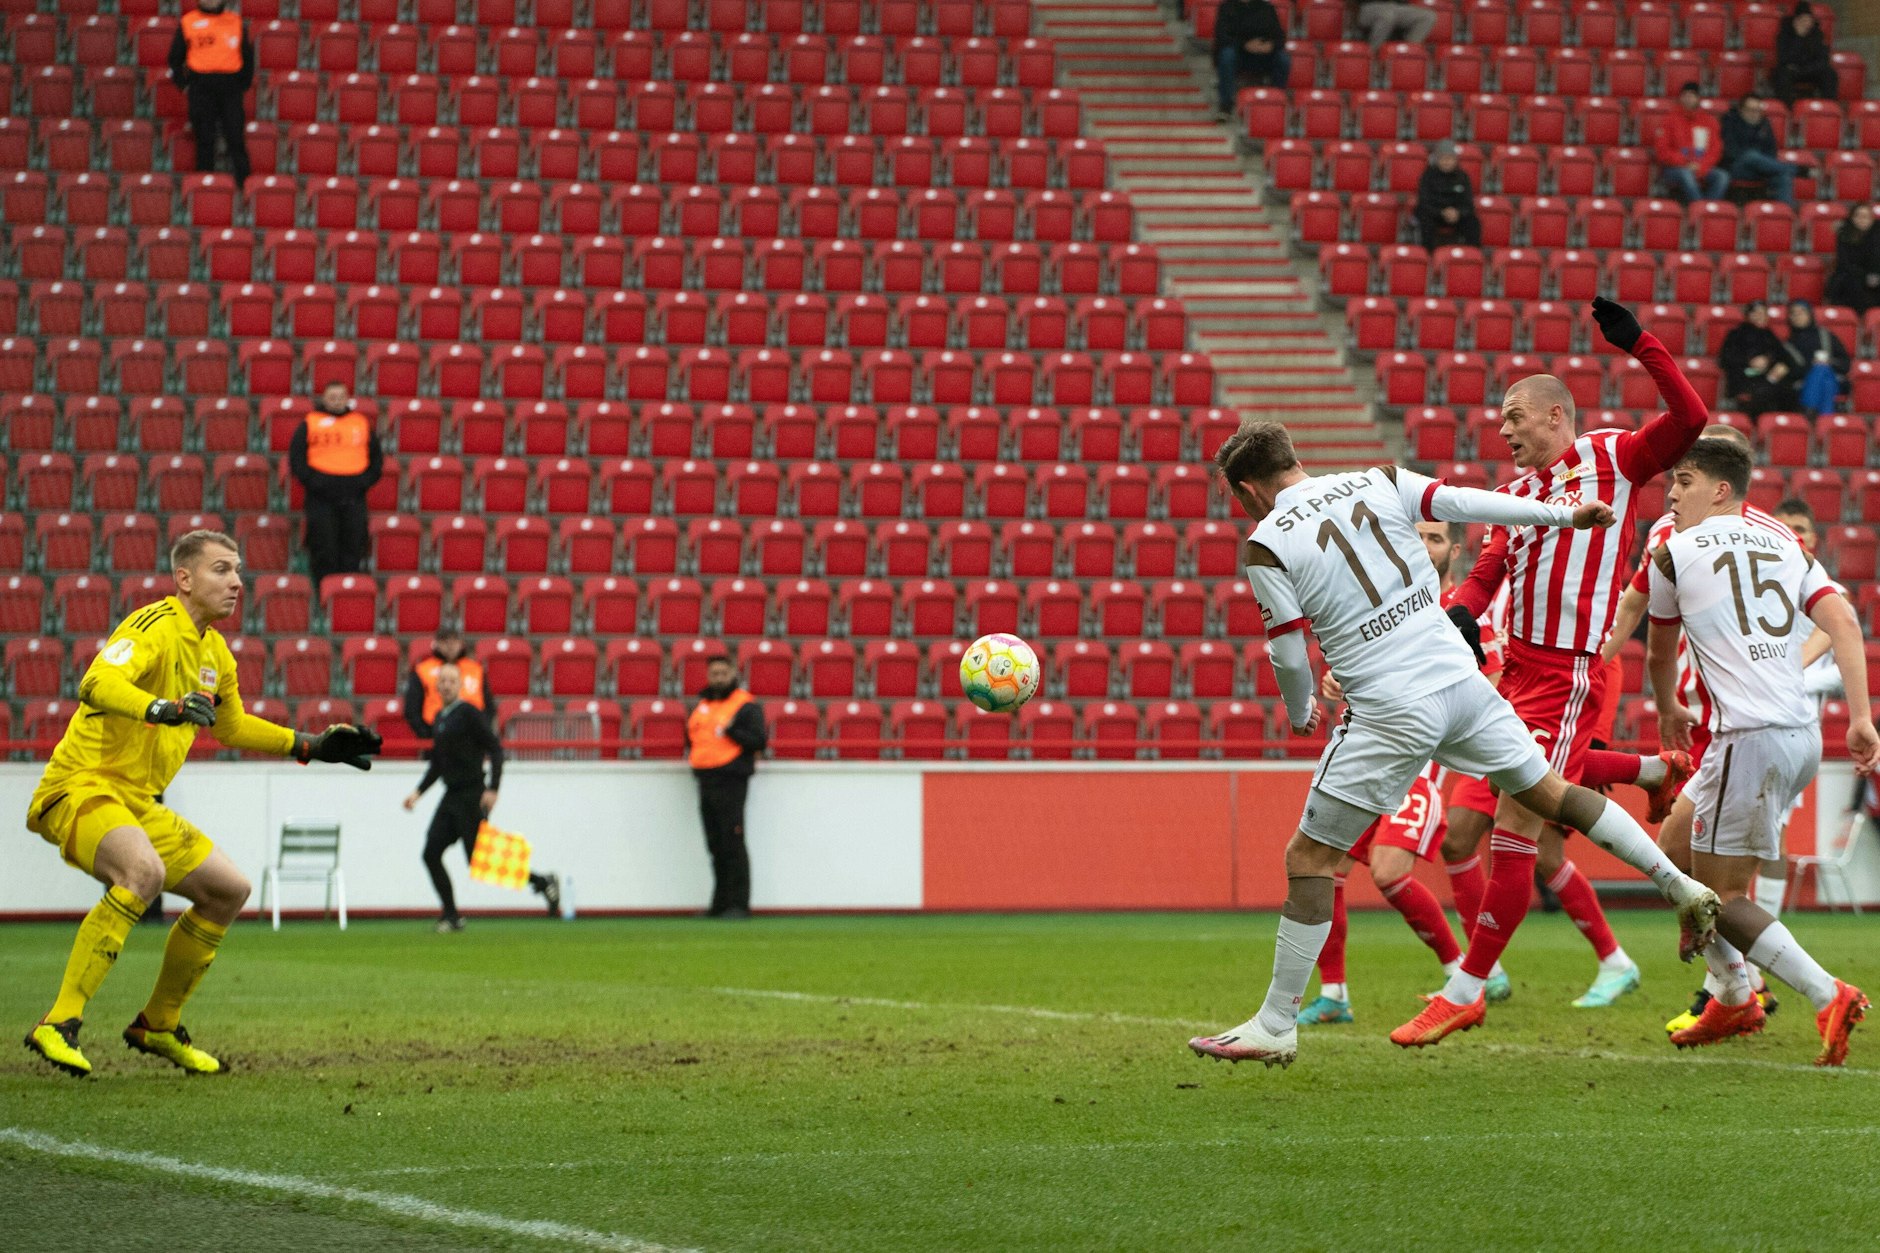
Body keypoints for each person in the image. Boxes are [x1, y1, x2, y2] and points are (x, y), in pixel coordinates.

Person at [1185, 419, 1719, 1068]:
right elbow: (1466, 499)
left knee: (1309, 858)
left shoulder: (1266, 541)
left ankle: (1275, 1022)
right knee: (1550, 791)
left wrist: (1301, 709)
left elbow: (1287, 649)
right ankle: (1678, 886)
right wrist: (1563, 515)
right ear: (1294, 460)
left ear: (1248, 489)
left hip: (1388, 707)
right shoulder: (1376, 480)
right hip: (1461, 683)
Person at [1405, 297, 1722, 1048]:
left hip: (1566, 675)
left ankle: (1467, 988)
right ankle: (1654, 774)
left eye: (1515, 417)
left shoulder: (1612, 458)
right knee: (1469, 829)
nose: (1505, 431)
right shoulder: (1514, 497)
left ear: (1554, 417)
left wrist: (1641, 343)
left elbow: (1691, 420)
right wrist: (1462, 617)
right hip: (1511, 676)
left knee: (1520, 829)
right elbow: (1486, 570)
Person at [22, 530, 380, 1077]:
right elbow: (95, 683)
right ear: (184, 579)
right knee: (143, 871)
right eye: (221, 569)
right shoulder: (152, 627)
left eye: (237, 570)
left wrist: (308, 745)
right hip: (79, 785)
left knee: (227, 890)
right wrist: (162, 709)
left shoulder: (214, 654)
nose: (237, 582)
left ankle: (158, 1024)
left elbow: (232, 726)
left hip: (135, 801)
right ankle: (59, 1021)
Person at [1646, 438, 1875, 1064]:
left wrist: (1667, 708)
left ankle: (1824, 993)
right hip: (1794, 731)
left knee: (1722, 898)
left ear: (1721, 490)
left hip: (1748, 736)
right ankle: (1731, 989)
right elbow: (1845, 624)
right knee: (1670, 846)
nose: (1671, 494)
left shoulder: (1672, 552)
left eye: (1684, 481)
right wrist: (1860, 719)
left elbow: (1659, 651)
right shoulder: (1786, 544)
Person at [402, 662, 559, 930]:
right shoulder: (440, 718)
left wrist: (493, 788)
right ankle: (451, 915)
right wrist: (417, 793)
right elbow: (438, 764)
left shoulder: (470, 714)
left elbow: (496, 749)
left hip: (471, 794)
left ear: (460, 685)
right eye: (443, 681)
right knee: (431, 853)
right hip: (451, 797)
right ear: (436, 687)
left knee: (479, 861)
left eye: (452, 681)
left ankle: (543, 882)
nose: (447, 685)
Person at [687, 655, 768, 919]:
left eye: (723, 673)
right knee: (715, 845)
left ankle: (739, 904)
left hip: (731, 780)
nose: (718, 678)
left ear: (733, 673)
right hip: (706, 779)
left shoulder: (745, 706)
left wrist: (733, 733)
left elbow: (758, 740)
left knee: (732, 841)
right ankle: (719, 904)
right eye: (714, 673)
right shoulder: (702, 706)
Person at [288, 380, 383, 588]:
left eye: (341, 397)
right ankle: (324, 594)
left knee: (353, 545)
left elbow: (377, 459)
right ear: (324, 399)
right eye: (332, 397)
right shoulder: (310, 422)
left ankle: (347, 595)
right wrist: (315, 482)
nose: (337, 401)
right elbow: (297, 459)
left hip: (353, 496)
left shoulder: (360, 422)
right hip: (321, 497)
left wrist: (362, 482)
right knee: (324, 546)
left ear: (348, 399)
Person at [166, 1, 255, 186]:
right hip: (201, 90)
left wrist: (242, 84)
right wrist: (184, 86)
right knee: (205, 140)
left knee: (235, 138)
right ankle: (205, 188)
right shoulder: (188, 22)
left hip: (230, 90)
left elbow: (247, 57)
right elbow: (175, 59)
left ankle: (245, 187)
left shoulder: (235, 21)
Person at [403, 627, 488, 740]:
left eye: (454, 641)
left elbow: (488, 704)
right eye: (445, 641)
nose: (450, 646)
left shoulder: (476, 669)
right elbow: (411, 708)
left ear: (461, 643)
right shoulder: (423, 670)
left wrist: (481, 730)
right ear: (437, 644)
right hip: (435, 733)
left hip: (471, 735)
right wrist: (426, 734)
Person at [1212, 0, 1290, 122]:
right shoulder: (1226, 8)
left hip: (1264, 55)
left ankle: (1276, 101)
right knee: (1227, 55)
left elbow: (1279, 36)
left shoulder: (1267, 8)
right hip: (1240, 54)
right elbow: (1222, 36)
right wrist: (1244, 45)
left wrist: (1271, 45)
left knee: (1283, 59)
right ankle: (1226, 105)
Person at [1718, 302, 1799, 417]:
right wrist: (1749, 362)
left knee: (1790, 392)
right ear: (1748, 316)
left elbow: (1784, 357)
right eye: (1756, 313)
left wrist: (1774, 364)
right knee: (1762, 394)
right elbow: (1725, 359)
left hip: (1769, 378)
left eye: (1763, 313)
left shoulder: (1769, 335)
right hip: (1744, 378)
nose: (1760, 316)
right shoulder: (1736, 334)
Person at [1652, 82, 1728, 204]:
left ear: (1698, 98)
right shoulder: (1669, 120)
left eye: (1692, 96)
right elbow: (1662, 150)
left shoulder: (1709, 121)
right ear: (1680, 98)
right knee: (1686, 174)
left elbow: (1715, 150)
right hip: (1674, 168)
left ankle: (1707, 209)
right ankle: (1700, 210)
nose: (1688, 99)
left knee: (1722, 176)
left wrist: (1701, 166)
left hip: (1701, 165)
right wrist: (1685, 162)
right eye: (1685, 95)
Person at [1719, 94, 1799, 207]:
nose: (1754, 113)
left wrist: (1760, 163)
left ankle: (1783, 214)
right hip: (1735, 167)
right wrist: (1754, 159)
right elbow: (1730, 151)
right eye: (1750, 109)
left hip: (1760, 170)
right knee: (1751, 155)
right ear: (1741, 109)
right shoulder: (1730, 121)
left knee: (1784, 176)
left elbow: (1771, 151)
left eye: (1757, 110)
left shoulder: (1765, 124)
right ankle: (1796, 169)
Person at [1781, 300, 1849, 415]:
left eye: (1801, 312)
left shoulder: (1826, 336)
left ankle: (1809, 410)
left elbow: (1845, 364)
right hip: (1803, 381)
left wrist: (1829, 363)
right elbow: (1790, 372)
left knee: (1823, 371)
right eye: (1794, 313)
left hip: (1832, 377)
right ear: (1790, 317)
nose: (1798, 316)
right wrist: (1812, 366)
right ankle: (1825, 418)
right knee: (1825, 380)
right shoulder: (1787, 344)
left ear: (1810, 314)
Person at [1415, 140, 1481, 249]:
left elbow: (1468, 202)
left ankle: (1472, 254)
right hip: (1434, 213)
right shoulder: (1428, 176)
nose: (1447, 162)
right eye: (1443, 158)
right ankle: (1428, 255)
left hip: (1456, 214)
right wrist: (1441, 212)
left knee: (1473, 223)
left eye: (1450, 158)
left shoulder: (1462, 177)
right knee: (1425, 221)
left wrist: (1458, 212)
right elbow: (1424, 201)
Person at [1771, 1, 1838, 105]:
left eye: (1808, 20)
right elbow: (1783, 58)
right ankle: (1788, 109)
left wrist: (1807, 69)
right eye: (1802, 20)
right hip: (1792, 69)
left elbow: (1823, 58)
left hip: (1811, 69)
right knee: (1782, 75)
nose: (1806, 23)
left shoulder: (1817, 34)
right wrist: (1799, 38)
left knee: (1829, 74)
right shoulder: (1785, 33)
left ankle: (1828, 106)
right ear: (1796, 21)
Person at [1825, 203, 1880, 314]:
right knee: (1851, 283)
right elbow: (1845, 264)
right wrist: (1865, 277)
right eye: (1858, 216)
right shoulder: (1845, 235)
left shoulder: (1877, 235)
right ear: (1852, 218)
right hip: (1852, 280)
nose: (1861, 220)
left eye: (1865, 216)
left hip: (1875, 279)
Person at [1350, 0, 1436, 46]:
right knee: (1387, 16)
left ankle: (1407, 52)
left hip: (1395, 6)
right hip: (1368, 7)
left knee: (1428, 16)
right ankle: (1373, 54)